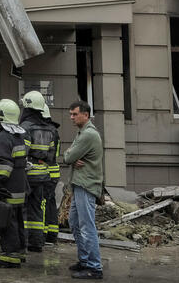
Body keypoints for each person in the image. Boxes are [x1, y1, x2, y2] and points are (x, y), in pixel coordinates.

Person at [61, 100, 104, 280]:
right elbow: (69, 157)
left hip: (86, 185)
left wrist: (71, 156)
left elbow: (69, 156)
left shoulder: (88, 135)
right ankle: (85, 260)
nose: (71, 117)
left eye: (74, 114)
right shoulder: (82, 133)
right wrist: (71, 156)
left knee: (87, 226)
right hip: (79, 184)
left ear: (85, 115)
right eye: (70, 114)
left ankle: (95, 267)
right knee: (75, 223)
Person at [0, 98, 28, 269]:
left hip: (7, 188)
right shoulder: (19, 136)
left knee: (6, 222)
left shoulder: (3, 138)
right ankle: (19, 251)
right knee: (18, 220)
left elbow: (4, 163)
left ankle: (9, 257)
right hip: (19, 188)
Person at [20, 90, 60, 253]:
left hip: (27, 175)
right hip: (43, 174)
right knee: (37, 209)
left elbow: (21, 152)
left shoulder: (25, 128)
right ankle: (36, 243)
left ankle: (24, 241)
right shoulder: (50, 130)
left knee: (22, 209)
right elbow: (52, 154)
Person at [42, 100, 62, 245]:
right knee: (51, 203)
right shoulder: (54, 131)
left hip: (46, 171)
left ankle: (42, 234)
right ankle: (52, 233)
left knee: (42, 203)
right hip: (54, 172)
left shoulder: (44, 131)